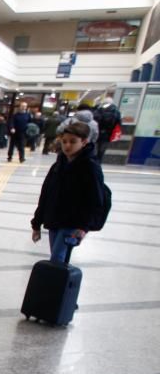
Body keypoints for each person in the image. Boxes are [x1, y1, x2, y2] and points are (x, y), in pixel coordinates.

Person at [31, 122, 108, 264]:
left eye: (73, 142)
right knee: (57, 257)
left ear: (84, 142)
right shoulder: (58, 165)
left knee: (57, 259)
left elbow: (96, 200)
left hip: (73, 223)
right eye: (64, 141)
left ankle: (55, 286)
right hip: (54, 219)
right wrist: (36, 223)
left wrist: (84, 227)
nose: (67, 146)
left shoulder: (90, 167)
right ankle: (58, 285)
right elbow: (46, 194)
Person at [93, 97, 121, 161]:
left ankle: (94, 162)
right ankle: (99, 162)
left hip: (98, 131)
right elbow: (118, 123)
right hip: (108, 133)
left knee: (94, 148)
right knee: (101, 150)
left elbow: (95, 118)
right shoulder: (116, 111)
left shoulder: (99, 110)